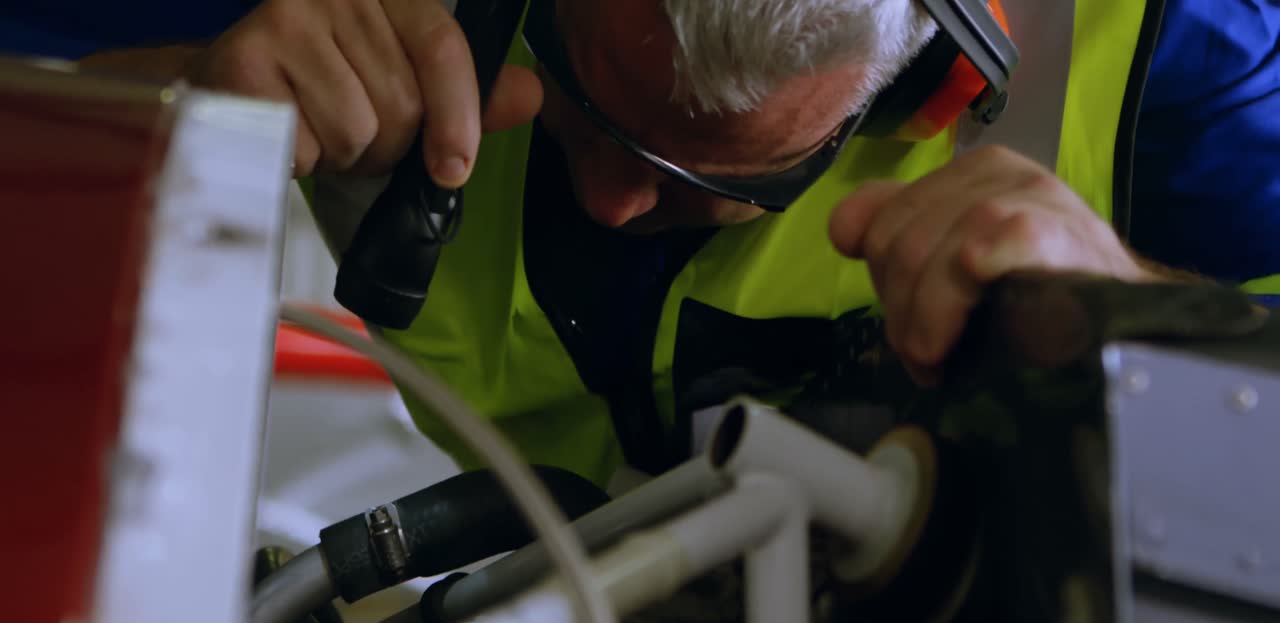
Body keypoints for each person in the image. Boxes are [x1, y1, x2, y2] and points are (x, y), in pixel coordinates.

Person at [58, 0, 1280, 487]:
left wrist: (1134, 310)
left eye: (706, 176)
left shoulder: (1188, 45)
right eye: (585, 106)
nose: (608, 203)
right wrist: (186, 110)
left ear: (928, 81)